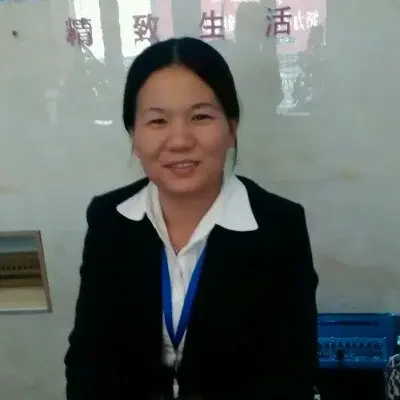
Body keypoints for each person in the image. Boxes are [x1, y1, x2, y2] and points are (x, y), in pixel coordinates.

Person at [64, 37, 319, 400]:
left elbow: (289, 375)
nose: (180, 140)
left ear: (231, 128)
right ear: (134, 135)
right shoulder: (110, 219)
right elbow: (89, 360)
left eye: (201, 116)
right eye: (157, 120)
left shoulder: (279, 227)